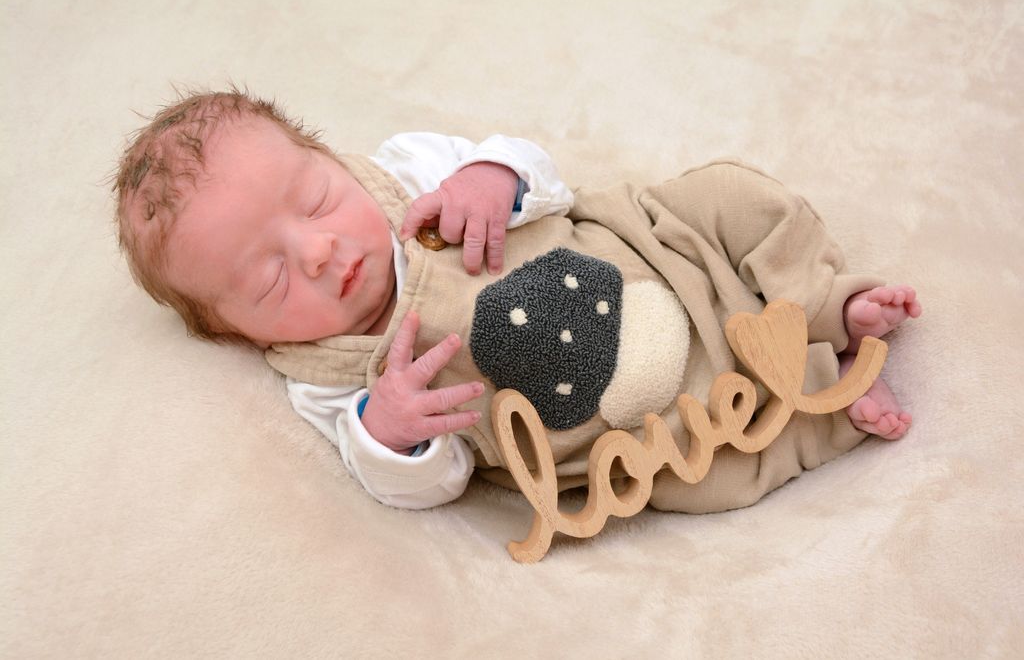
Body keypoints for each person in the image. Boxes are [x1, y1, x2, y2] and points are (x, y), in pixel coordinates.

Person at [114, 90, 922, 511]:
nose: (318, 251)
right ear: (234, 331)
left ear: (331, 158)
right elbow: (428, 482)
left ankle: (823, 301)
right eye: (269, 280)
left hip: (642, 251)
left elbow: (543, 176)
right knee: (702, 469)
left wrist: (493, 177)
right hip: (613, 419)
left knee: (728, 195)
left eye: (317, 199)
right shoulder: (327, 381)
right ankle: (830, 391)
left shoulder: (409, 169)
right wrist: (393, 438)